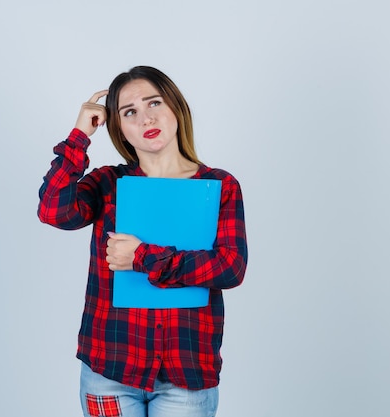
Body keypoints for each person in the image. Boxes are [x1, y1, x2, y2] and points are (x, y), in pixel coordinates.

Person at [38, 66, 248, 417]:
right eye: (129, 112)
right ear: (118, 127)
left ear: (175, 108)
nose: (146, 118)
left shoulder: (219, 185)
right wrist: (79, 136)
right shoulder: (108, 183)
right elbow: (52, 211)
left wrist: (141, 257)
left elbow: (230, 267)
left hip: (187, 375)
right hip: (110, 371)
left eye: (154, 103)